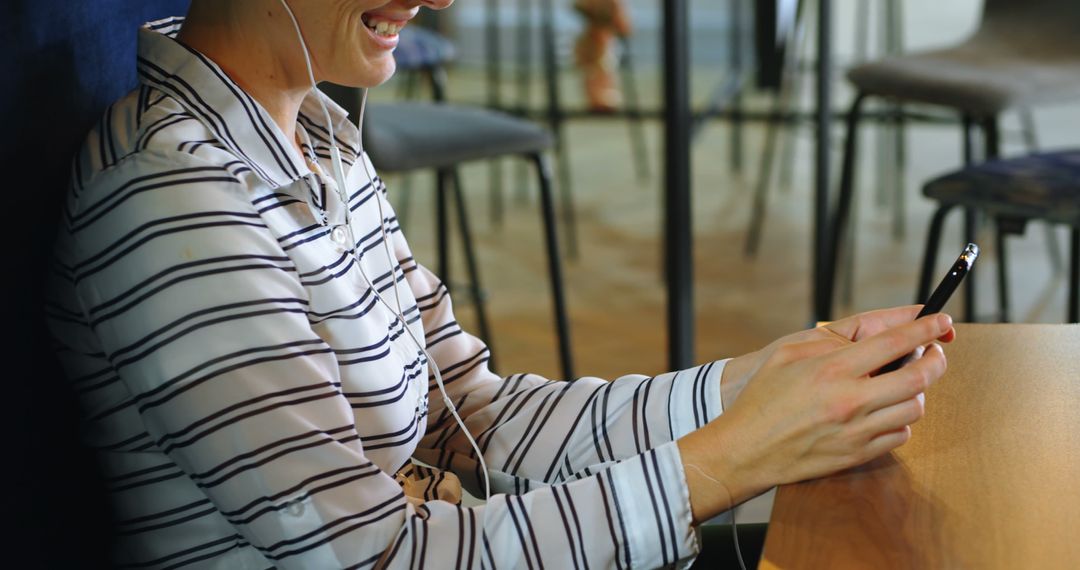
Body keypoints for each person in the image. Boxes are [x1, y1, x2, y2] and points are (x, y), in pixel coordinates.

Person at [45, 0, 954, 568]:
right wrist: (733, 458)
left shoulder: (316, 141)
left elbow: (478, 418)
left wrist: (756, 382)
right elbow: (370, 558)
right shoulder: (173, 197)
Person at [573, 0, 633, 112]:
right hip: (596, 41)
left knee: (601, 71)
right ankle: (600, 100)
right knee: (596, 72)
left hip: (601, 41)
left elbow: (624, 27)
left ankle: (602, 99)